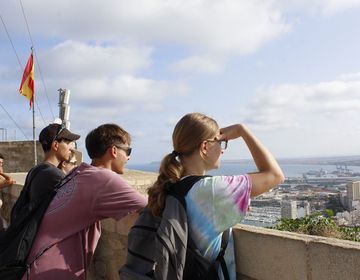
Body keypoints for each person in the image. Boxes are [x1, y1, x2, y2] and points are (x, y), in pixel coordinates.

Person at [147, 113, 285, 280]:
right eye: (221, 143)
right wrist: (243, 131)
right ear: (205, 147)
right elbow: (275, 175)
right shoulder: (209, 190)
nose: (222, 150)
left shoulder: (173, 185)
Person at [23, 123, 147, 279]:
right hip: (52, 272)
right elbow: (151, 207)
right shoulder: (104, 179)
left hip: (35, 265)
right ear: (114, 151)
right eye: (128, 151)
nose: (128, 157)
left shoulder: (79, 171)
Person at [10, 123, 80, 222]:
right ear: (55, 145)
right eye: (68, 143)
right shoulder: (55, 175)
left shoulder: (36, 169)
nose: (71, 148)